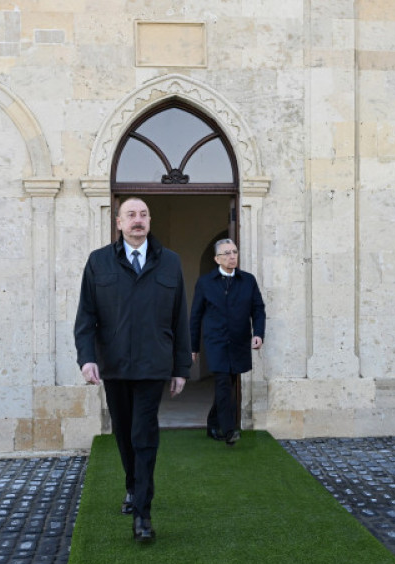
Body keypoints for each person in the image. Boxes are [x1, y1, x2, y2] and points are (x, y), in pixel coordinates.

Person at [74, 197, 190, 543]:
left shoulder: (170, 263)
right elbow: (86, 318)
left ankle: (143, 513)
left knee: (144, 435)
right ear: (119, 222)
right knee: (123, 434)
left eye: (143, 215)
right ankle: (132, 485)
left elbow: (179, 319)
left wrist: (180, 367)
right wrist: (87, 358)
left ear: (149, 221)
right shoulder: (98, 262)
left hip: (153, 366)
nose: (137, 220)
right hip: (114, 366)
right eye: (131, 215)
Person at [189, 238, 266, 447]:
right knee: (223, 382)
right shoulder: (205, 283)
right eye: (226, 253)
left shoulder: (248, 280)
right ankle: (229, 430)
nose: (232, 256)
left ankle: (212, 423)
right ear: (216, 259)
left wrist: (258, 333)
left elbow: (258, 309)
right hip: (215, 342)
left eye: (234, 252)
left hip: (240, 341)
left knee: (230, 382)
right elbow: (195, 316)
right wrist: (193, 347)